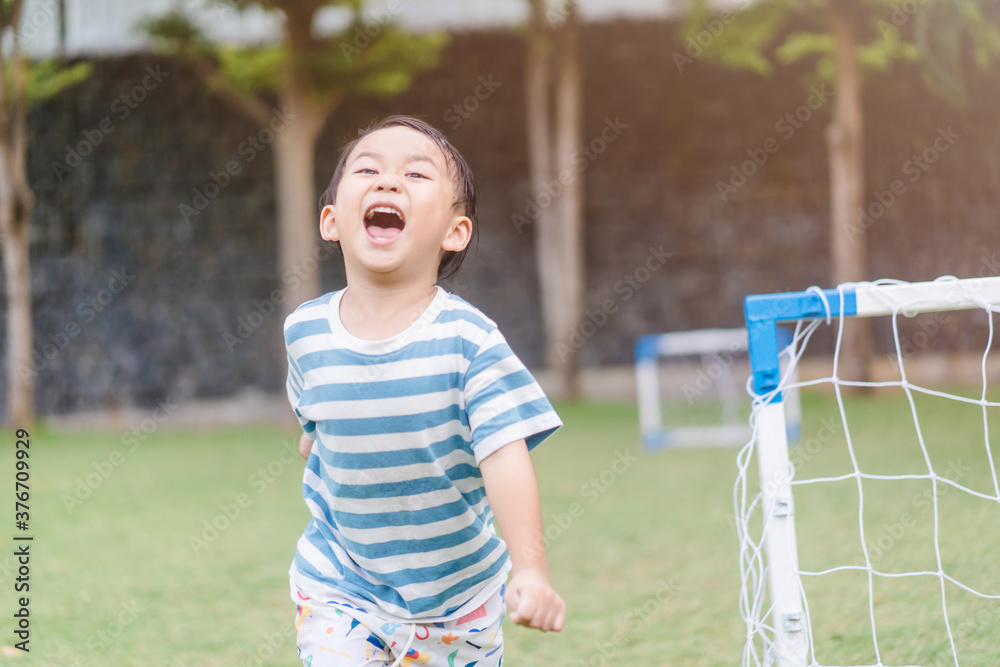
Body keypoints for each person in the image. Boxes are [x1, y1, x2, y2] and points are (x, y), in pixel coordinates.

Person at [284, 115, 565, 667]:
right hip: (341, 583)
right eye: (367, 169)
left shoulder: (470, 343)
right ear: (331, 220)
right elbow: (313, 429)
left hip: (457, 601)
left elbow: (506, 461)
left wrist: (531, 571)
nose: (387, 181)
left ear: (454, 232)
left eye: (416, 174)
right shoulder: (304, 332)